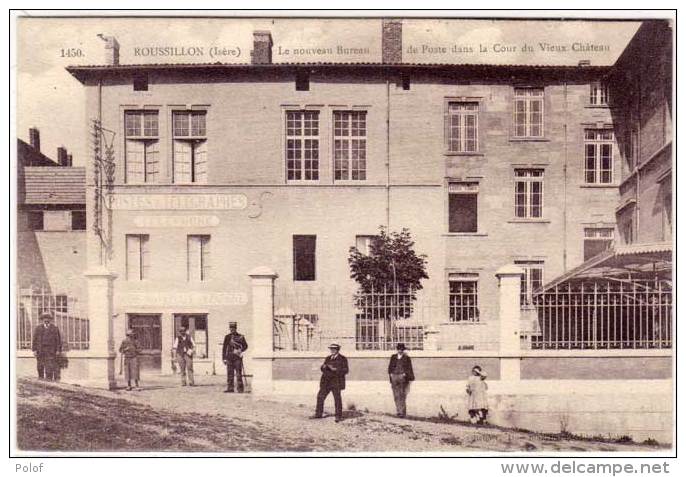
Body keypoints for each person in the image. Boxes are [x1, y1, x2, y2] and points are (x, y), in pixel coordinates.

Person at [313, 343, 349, 422]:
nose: (332, 350)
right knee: (320, 397)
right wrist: (323, 367)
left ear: (337, 350)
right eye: (331, 349)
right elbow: (323, 369)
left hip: (336, 382)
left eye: (334, 349)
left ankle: (338, 416)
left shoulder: (343, 359)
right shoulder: (328, 358)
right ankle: (318, 414)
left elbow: (346, 370)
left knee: (337, 399)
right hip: (326, 382)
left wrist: (335, 369)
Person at [32, 312, 62, 381]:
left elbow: (58, 340)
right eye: (44, 318)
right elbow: (34, 340)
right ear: (42, 319)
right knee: (40, 367)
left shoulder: (54, 328)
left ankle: (49, 384)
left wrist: (58, 350)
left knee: (49, 369)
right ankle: (41, 383)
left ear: (50, 319)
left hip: (50, 351)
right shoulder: (38, 328)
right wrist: (34, 350)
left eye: (48, 318)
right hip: (40, 351)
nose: (46, 320)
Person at [387, 342, 415, 418]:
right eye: (399, 349)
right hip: (394, 377)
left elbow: (409, 368)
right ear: (397, 349)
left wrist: (405, 374)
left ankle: (402, 412)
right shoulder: (393, 357)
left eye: (402, 349)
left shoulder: (407, 358)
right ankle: (398, 411)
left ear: (403, 350)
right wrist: (391, 374)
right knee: (396, 395)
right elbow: (390, 367)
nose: (400, 351)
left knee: (402, 394)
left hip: (402, 377)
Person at [222, 322, 248, 393]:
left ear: (236, 328)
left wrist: (240, 350)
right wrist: (224, 358)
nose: (232, 330)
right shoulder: (227, 337)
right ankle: (230, 388)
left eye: (233, 328)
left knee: (238, 374)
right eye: (231, 328)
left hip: (237, 358)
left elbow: (245, 346)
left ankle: (240, 389)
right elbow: (224, 348)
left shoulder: (240, 336)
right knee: (230, 373)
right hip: (229, 357)